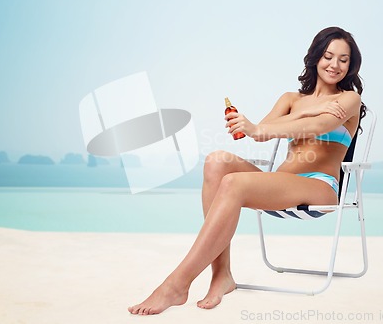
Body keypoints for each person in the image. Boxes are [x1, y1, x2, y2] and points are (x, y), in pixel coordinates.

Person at [128, 26, 365, 315]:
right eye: (329, 56)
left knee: (234, 184)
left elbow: (316, 126)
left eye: (343, 59)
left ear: (351, 64)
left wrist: (298, 116)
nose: (335, 65)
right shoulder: (291, 99)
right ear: (316, 57)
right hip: (281, 184)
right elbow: (261, 133)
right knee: (217, 161)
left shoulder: (349, 99)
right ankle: (221, 275)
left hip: (319, 187)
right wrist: (299, 110)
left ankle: (176, 284)